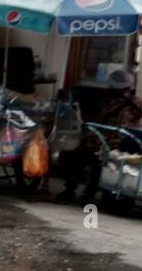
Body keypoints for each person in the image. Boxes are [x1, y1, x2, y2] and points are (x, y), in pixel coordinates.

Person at [58, 69, 141, 204]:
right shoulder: (137, 104)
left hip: (107, 145)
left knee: (79, 155)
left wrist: (86, 140)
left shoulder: (108, 104)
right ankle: (85, 192)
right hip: (126, 148)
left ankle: (73, 191)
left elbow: (97, 127)